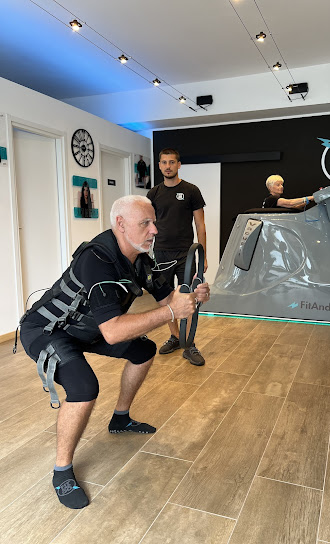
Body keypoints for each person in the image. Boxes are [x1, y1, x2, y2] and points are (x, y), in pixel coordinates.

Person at [18, 195, 210, 510]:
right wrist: (171, 312)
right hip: (49, 330)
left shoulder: (141, 259)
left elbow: (168, 300)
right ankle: (62, 471)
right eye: (145, 223)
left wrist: (192, 297)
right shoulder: (97, 258)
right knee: (83, 387)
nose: (155, 230)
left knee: (143, 350)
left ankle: (120, 419)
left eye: (154, 222)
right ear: (120, 224)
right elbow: (114, 332)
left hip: (90, 328)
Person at [147, 148, 208, 366]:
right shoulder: (153, 194)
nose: (168, 166)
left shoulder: (191, 191)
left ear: (179, 165)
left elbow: (200, 225)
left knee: (188, 297)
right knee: (166, 299)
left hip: (186, 253)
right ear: (159, 165)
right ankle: (175, 337)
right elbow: (147, 224)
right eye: (164, 162)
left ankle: (189, 344)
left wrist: (203, 256)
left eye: (172, 162)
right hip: (161, 252)